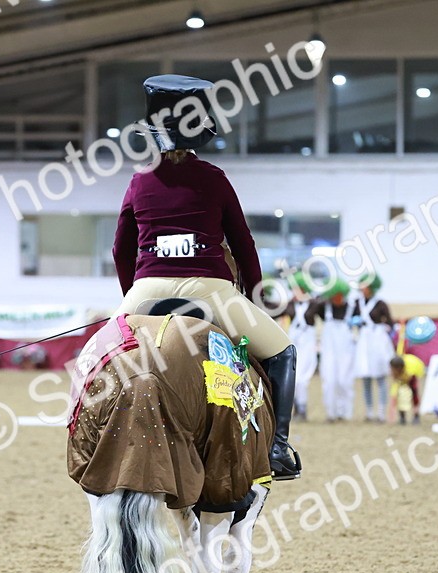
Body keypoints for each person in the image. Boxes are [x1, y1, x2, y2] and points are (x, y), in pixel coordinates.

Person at [111, 74, 302, 480]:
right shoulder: (214, 178)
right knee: (283, 352)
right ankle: (279, 449)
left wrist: (134, 296)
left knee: (101, 360)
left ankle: (85, 427)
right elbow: (243, 243)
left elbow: (119, 249)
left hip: (147, 288)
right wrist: (251, 295)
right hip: (209, 288)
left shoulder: (139, 180)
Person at [351, 273, 395, 422]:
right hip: (364, 341)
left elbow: (390, 323)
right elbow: (351, 319)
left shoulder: (380, 303)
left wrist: (385, 330)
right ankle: (369, 411)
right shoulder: (357, 303)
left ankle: (382, 411)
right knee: (366, 377)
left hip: (377, 341)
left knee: (380, 376)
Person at [280, 270, 320, 422]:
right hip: (294, 341)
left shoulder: (314, 304)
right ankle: (297, 407)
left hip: (308, 343)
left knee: (302, 379)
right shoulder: (290, 304)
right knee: (293, 377)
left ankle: (302, 408)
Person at [318, 277, 356, 422]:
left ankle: (346, 412)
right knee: (329, 382)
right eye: (334, 295)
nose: (337, 298)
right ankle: (331, 413)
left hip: (346, 352)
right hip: (329, 351)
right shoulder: (324, 308)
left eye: (340, 295)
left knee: (344, 381)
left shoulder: (353, 308)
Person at [388, 354, 425, 425]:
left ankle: (416, 415)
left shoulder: (410, 369)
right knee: (400, 395)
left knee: (414, 396)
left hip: (412, 375)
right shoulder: (394, 370)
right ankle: (402, 416)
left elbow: (410, 380)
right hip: (402, 377)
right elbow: (394, 387)